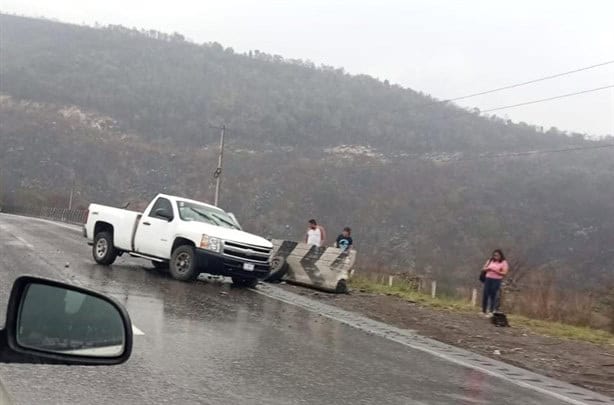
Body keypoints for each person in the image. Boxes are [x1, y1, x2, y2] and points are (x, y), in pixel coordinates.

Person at [481, 249, 509, 317]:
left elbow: (504, 273)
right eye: (494, 255)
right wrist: (487, 269)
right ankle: (484, 310)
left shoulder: (504, 262)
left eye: (497, 255)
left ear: (500, 256)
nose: (495, 256)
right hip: (488, 278)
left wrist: (496, 271)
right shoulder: (490, 260)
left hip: (496, 280)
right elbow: (483, 268)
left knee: (493, 294)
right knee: (485, 294)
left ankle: (491, 311)